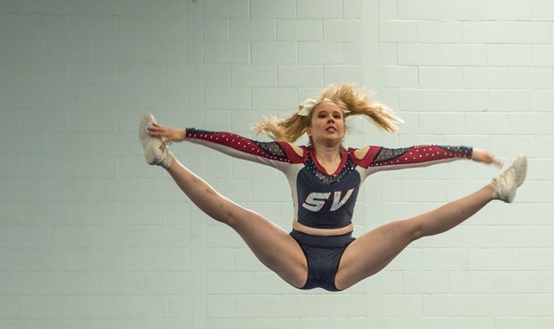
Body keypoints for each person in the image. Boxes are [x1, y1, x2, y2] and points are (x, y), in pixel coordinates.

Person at [137, 83, 527, 292]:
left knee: (413, 228)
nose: (330, 120)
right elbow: (239, 145)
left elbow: (415, 154)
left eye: (337, 116)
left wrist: (466, 153)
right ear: (309, 129)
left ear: (343, 127)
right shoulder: (293, 157)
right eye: (322, 116)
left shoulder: (362, 159)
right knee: (234, 215)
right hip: (298, 254)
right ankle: (164, 159)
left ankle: (498, 188)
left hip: (345, 257)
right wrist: (185, 134)